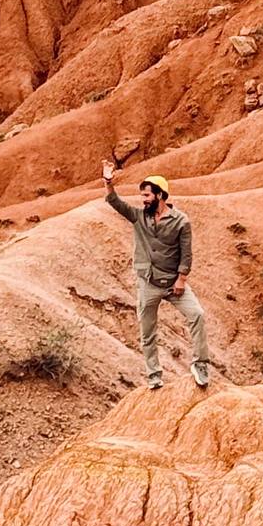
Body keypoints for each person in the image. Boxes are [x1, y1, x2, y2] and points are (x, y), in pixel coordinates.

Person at [102, 160, 211, 391]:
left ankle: (200, 365)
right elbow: (115, 202)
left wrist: (182, 279)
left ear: (160, 195)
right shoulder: (140, 216)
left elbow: (186, 253)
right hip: (147, 282)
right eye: (142, 196)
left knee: (197, 315)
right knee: (147, 331)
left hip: (173, 282)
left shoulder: (181, 221)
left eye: (147, 196)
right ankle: (153, 374)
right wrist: (108, 182)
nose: (143, 200)